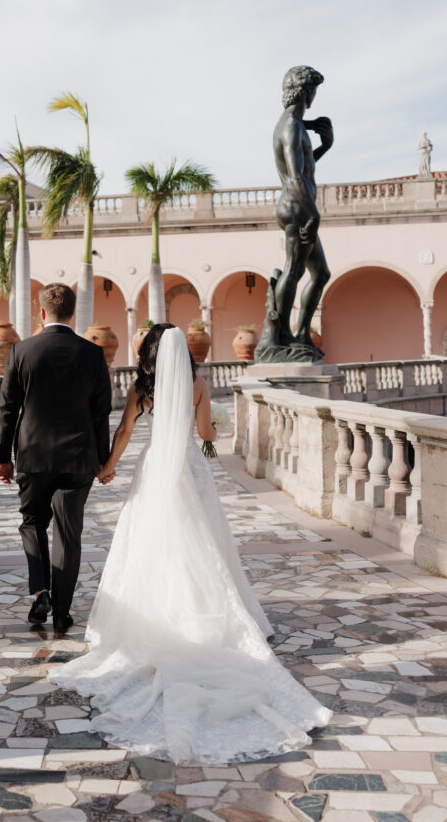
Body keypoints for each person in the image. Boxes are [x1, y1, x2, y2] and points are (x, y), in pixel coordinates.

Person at [50, 324, 331, 763]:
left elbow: (123, 431)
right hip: (187, 467)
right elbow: (206, 436)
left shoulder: (142, 387)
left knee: (151, 539)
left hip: (153, 467)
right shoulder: (198, 384)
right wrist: (212, 426)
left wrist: (107, 467)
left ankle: (156, 612)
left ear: (150, 354)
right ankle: (202, 609)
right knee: (200, 541)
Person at [0, 282, 112, 632]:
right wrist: (104, 461)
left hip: (33, 456)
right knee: (68, 534)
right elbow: (101, 412)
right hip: (79, 460)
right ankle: (62, 612)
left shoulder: (21, 352)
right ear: (73, 313)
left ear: (41, 313)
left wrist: (3, 456)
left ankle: (41, 591)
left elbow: (7, 410)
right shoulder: (92, 354)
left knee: (32, 523)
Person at [261, 65, 332, 355]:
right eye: (314, 90)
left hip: (301, 208)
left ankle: (301, 332)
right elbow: (294, 177)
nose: (315, 95)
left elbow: (305, 168)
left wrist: (325, 146)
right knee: (293, 270)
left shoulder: (298, 125)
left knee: (320, 273)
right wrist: (313, 214)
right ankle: (278, 337)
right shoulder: (290, 125)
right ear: (306, 92)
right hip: (296, 209)